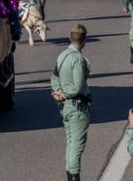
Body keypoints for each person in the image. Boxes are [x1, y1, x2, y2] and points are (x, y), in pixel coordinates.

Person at [50, 23, 91, 181]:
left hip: (66, 107)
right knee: (77, 145)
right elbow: (78, 86)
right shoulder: (78, 59)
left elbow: (54, 77)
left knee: (71, 142)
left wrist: (57, 92)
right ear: (83, 41)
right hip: (77, 107)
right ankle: (74, 176)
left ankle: (70, 174)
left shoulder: (62, 56)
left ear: (70, 38)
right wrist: (65, 94)